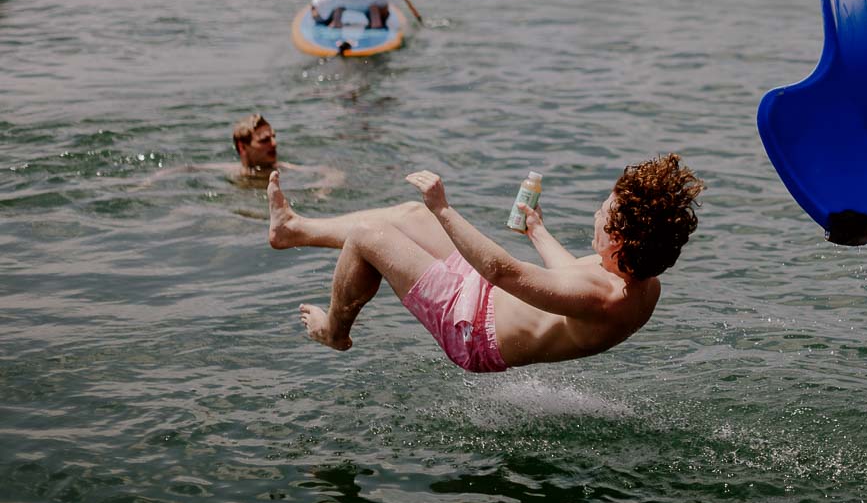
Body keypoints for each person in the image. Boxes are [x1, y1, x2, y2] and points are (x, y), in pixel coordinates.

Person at [266, 154, 703, 371]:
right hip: (483, 296)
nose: (595, 214)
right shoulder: (637, 276)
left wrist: (444, 209)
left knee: (368, 237)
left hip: (472, 327)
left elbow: (501, 271)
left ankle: (333, 332)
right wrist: (537, 231)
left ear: (621, 240)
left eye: (602, 214)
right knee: (409, 215)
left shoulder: (606, 296)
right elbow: (567, 279)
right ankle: (293, 229)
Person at [143, 112, 344, 192]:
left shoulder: (284, 169)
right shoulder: (230, 171)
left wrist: (322, 189)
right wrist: (149, 181)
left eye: (273, 137)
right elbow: (187, 168)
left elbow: (331, 172)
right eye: (265, 140)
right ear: (242, 147)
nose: (273, 144)